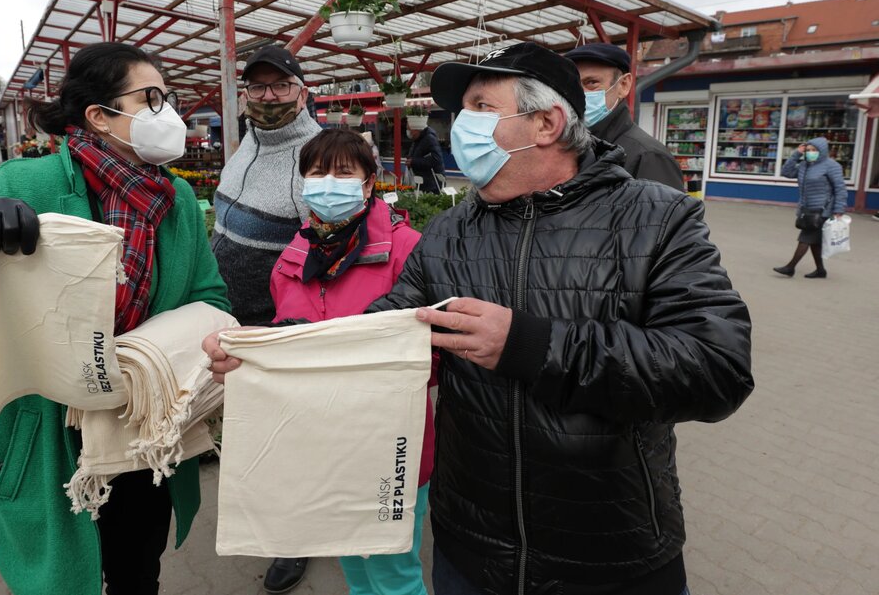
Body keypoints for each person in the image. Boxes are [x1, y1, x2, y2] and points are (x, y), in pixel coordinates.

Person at [208, 42, 754, 595]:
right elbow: (379, 336)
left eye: (479, 106)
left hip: (610, 547)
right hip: (471, 547)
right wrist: (277, 347)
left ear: (546, 123)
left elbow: (716, 369)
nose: (459, 124)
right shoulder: (448, 234)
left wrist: (530, 344)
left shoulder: (656, 218)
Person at [0, 42, 229, 595]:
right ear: (100, 115)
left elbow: (209, 296)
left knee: (137, 568)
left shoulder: (173, 198)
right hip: (48, 437)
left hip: (140, 430)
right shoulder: (25, 185)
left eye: (167, 99)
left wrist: (191, 347)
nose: (167, 115)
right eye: (150, 99)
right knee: (57, 579)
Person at [271, 129, 435, 595]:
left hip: (389, 442)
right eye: (317, 172)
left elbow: (439, 351)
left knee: (393, 573)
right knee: (352, 561)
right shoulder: (293, 256)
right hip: (323, 441)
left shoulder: (408, 250)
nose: (328, 182)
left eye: (344, 172)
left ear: (368, 184)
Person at [209, 43, 321, 593]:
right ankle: (272, 517)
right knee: (253, 435)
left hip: (279, 329)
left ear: (302, 91)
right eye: (258, 87)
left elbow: (322, 252)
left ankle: (293, 540)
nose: (269, 97)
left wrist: (288, 329)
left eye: (281, 86)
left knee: (287, 439)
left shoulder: (315, 155)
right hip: (236, 321)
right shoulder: (245, 144)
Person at [564, 43, 685, 191]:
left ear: (623, 85)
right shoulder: (569, 145)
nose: (579, 93)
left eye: (591, 83)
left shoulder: (648, 156)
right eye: (572, 84)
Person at [773, 137, 847, 278]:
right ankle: (820, 270)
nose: (810, 153)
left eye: (813, 150)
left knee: (806, 237)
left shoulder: (832, 166)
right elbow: (786, 172)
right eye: (808, 150)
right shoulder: (804, 166)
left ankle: (790, 267)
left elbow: (840, 189)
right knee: (814, 241)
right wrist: (797, 153)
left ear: (822, 151)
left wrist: (838, 210)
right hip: (807, 209)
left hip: (823, 210)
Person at [407, 121, 445, 193]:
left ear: (416, 130)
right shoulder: (417, 139)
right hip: (423, 181)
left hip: (433, 184)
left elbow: (436, 159)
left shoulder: (429, 139)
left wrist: (414, 161)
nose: (408, 132)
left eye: (409, 130)